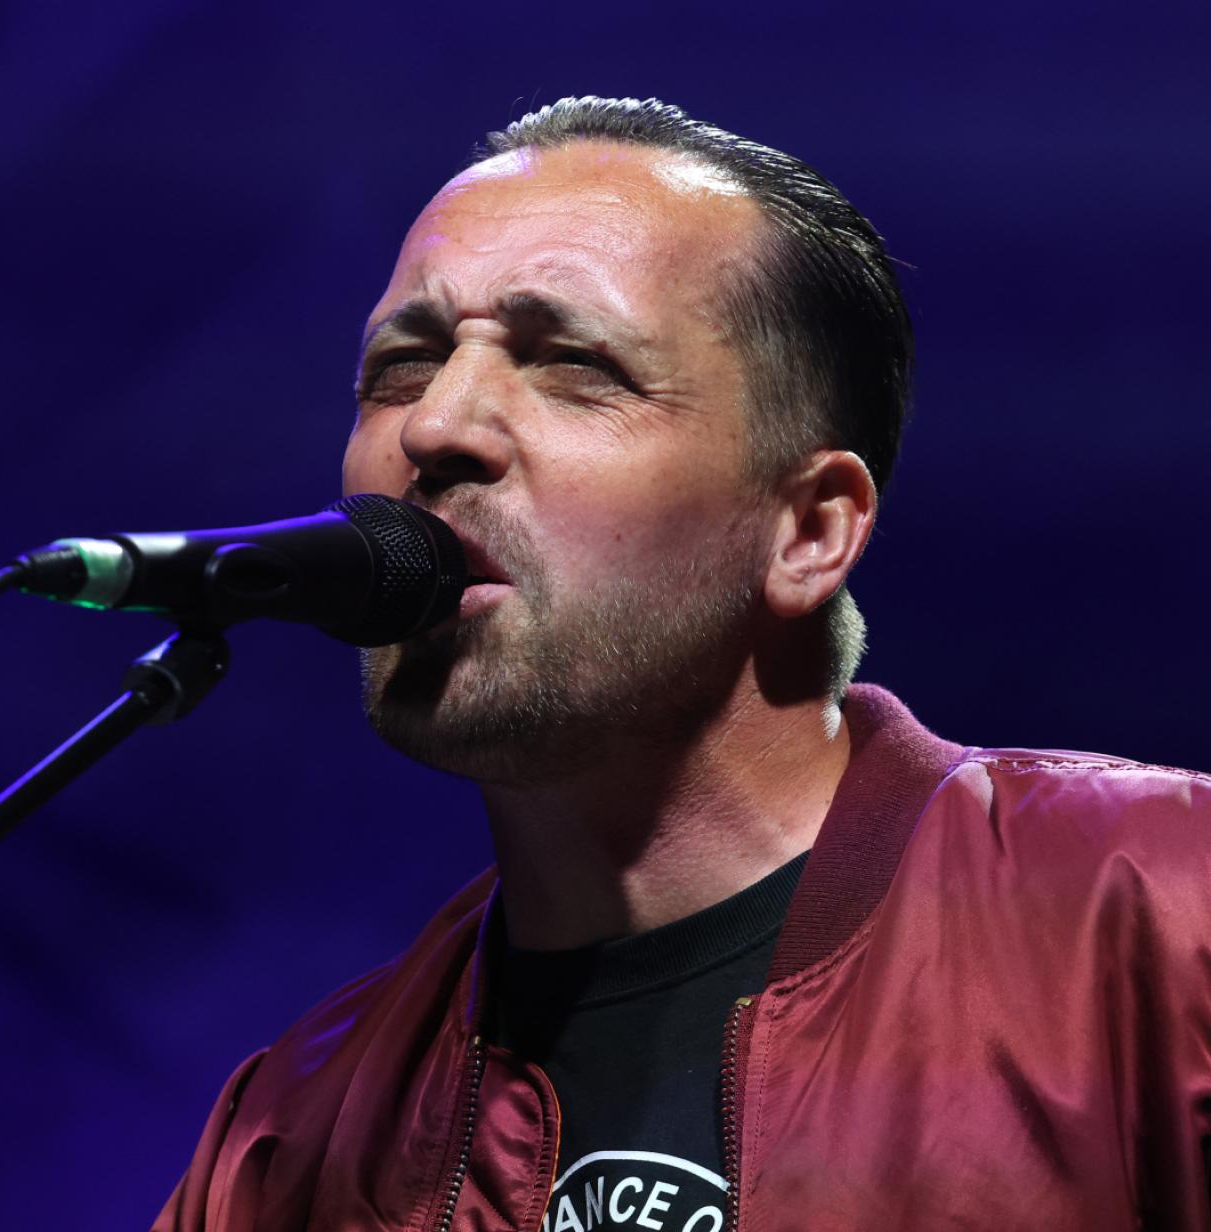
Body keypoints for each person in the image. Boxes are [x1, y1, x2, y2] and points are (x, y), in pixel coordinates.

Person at [154, 98, 1211, 1232]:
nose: (435, 426)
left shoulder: (1162, 912)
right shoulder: (287, 1142)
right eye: (403, 366)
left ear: (808, 531)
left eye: (572, 364)